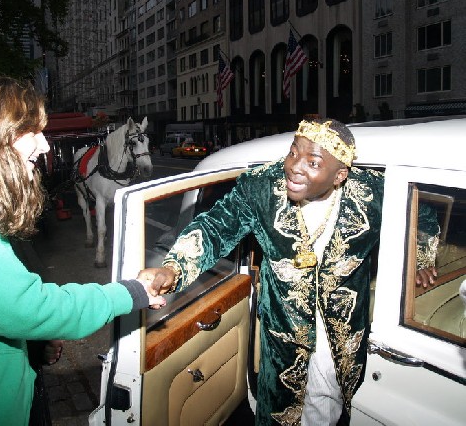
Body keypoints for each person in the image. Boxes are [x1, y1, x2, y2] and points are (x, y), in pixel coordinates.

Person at [140, 118, 439, 425]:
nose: (295, 167)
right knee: (278, 410)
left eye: (313, 162)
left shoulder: (372, 193)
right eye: (293, 153)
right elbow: (215, 227)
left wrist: (421, 259)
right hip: (283, 333)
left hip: (341, 332)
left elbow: (421, 214)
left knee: (328, 404)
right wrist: (173, 268)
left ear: (339, 176)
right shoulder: (261, 187)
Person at [0, 76, 165, 425]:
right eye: (32, 132)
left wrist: (33, 344)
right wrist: (129, 292)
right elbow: (23, 306)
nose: (45, 146)